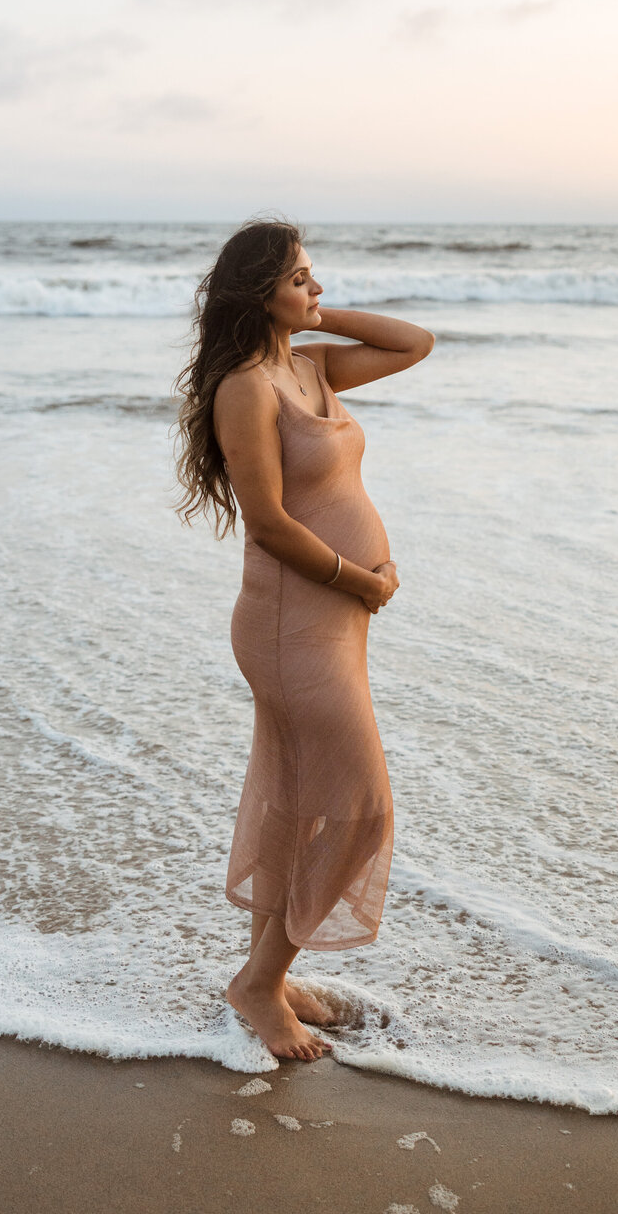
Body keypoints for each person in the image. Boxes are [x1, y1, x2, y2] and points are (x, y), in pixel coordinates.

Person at [173, 216, 435, 1061]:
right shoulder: (247, 388)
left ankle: (265, 977)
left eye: (315, 276)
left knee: (292, 803)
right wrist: (362, 579)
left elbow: (415, 342)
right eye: (301, 278)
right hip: (292, 620)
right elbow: (270, 525)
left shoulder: (308, 366)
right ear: (259, 293)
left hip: (333, 621)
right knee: (361, 807)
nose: (317, 288)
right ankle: (259, 982)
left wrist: (315, 315)